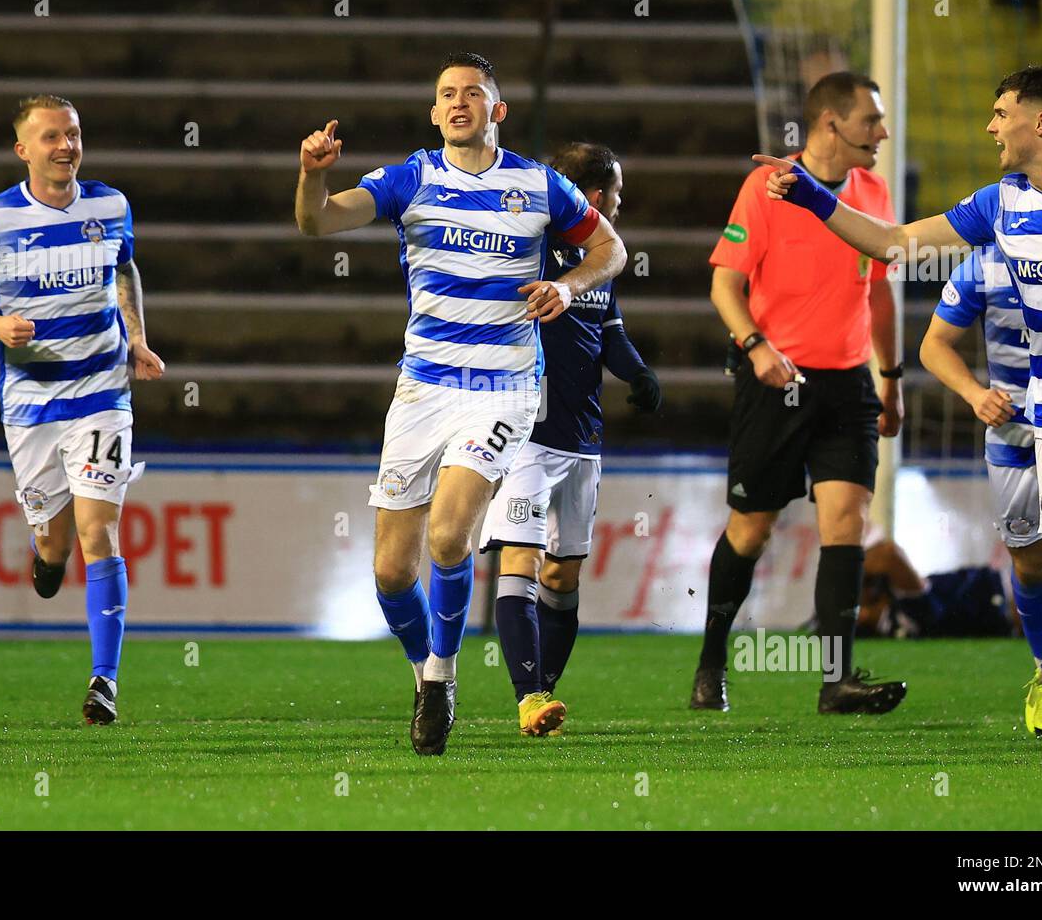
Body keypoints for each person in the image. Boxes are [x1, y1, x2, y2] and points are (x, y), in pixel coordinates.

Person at [757, 65, 1042, 731]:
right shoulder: (1000, 204)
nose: (991, 125)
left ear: (1041, 122)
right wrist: (812, 199)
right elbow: (895, 243)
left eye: (1002, 113)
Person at [294, 53, 626, 755]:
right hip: (423, 388)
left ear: (496, 110)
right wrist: (313, 174)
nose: (458, 103)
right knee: (390, 572)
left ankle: (441, 678)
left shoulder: (539, 185)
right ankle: (424, 668)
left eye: (473, 93)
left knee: (449, 537)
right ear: (434, 110)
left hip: (503, 386)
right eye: (446, 93)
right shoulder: (412, 178)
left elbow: (611, 248)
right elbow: (317, 223)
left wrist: (568, 288)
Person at [0, 94, 164, 724]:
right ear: (23, 150)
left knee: (101, 532)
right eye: (52, 137)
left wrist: (137, 337)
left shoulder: (110, 206)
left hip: (101, 396)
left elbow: (125, 268)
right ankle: (46, 555)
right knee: (56, 545)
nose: (66, 146)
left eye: (73, 134)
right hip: (31, 404)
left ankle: (104, 681)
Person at [690, 71, 908, 715]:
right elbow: (725, 285)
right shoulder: (768, 185)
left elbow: (878, 291)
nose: (883, 133)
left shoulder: (872, 190)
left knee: (846, 522)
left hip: (847, 387)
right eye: (872, 120)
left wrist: (890, 379)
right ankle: (711, 662)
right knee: (750, 531)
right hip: (775, 384)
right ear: (831, 125)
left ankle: (836, 680)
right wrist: (757, 347)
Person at [478, 142, 660, 736]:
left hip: (582, 438)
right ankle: (527, 695)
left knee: (564, 575)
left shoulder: (598, 260)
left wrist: (639, 374)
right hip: (525, 429)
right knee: (521, 560)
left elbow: (611, 334)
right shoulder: (525, 243)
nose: (620, 207)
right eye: (619, 197)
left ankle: (545, 698)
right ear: (599, 196)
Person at [920, 246, 1042, 735]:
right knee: (1029, 565)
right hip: (1013, 436)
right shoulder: (984, 265)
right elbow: (933, 345)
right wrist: (975, 394)